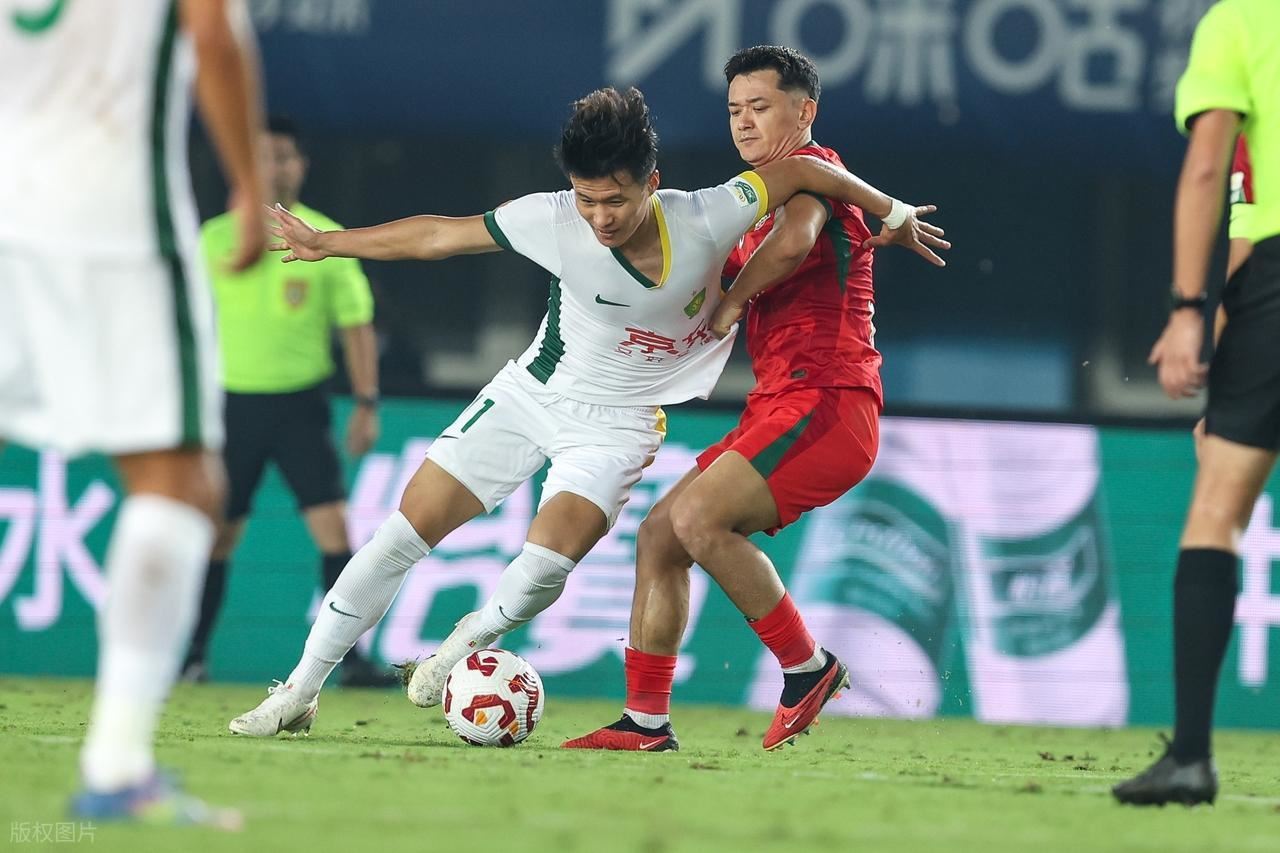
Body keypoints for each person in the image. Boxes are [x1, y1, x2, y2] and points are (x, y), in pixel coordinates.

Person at [227, 85, 947, 737]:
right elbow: (439, 235)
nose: (600, 217)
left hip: (618, 425)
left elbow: (811, 174)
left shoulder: (706, 214)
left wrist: (891, 211)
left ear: (652, 185)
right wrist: (330, 243)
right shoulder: (548, 218)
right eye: (586, 200)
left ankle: (466, 643)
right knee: (399, 536)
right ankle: (299, 691)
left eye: (615, 201)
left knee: (544, 567)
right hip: (529, 396)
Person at [562, 45, 931, 753]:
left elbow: (795, 242)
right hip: (779, 403)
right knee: (662, 536)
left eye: (760, 107)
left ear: (805, 110)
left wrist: (733, 301)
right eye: (735, 110)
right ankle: (645, 720)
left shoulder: (815, 175)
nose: (744, 123)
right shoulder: (760, 193)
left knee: (699, 517)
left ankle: (807, 666)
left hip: (828, 399)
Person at [0, 0, 265, 825]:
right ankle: (117, 766)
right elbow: (213, 32)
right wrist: (250, 182)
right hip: (111, 215)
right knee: (178, 482)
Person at [1114, 0, 1278, 807]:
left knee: (1217, 509)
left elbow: (1210, 170)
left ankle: (1190, 757)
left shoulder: (1240, 22)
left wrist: (1188, 309)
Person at [181, 116, 390, 688]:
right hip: (232, 407)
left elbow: (357, 325)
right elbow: (185, 322)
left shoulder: (328, 238)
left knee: (333, 531)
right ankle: (191, 656)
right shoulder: (215, 238)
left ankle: (350, 659)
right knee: (218, 533)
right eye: (262, 156)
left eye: (284, 156)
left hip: (301, 407)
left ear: (301, 165)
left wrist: (366, 402)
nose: (274, 167)